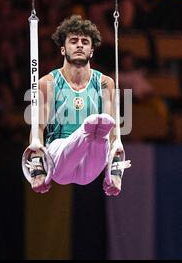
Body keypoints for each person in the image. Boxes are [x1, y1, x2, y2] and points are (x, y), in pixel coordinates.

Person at [26, 15, 130, 196]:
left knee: (104, 131)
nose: (80, 45)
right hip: (58, 158)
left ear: (91, 51)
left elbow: (115, 135)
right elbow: (38, 130)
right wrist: (37, 169)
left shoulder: (105, 83)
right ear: (63, 49)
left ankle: (91, 131)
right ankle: (88, 130)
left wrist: (114, 173)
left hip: (90, 166)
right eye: (73, 41)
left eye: (85, 42)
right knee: (97, 126)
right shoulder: (48, 83)